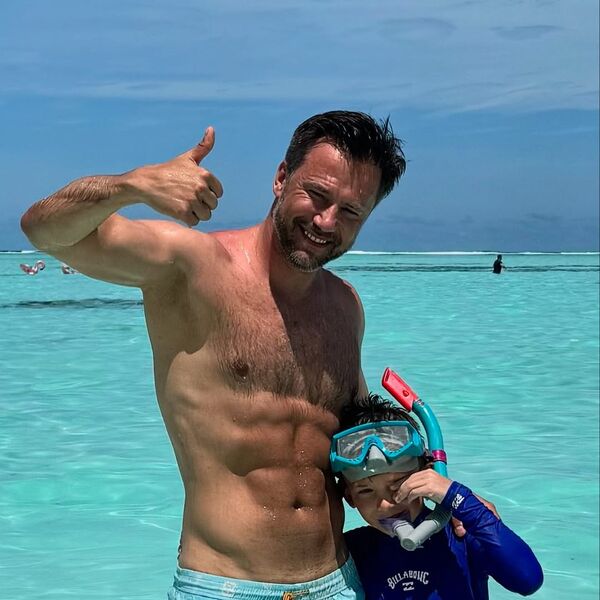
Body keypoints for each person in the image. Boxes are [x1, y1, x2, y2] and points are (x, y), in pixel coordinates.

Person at [20, 111, 407, 599]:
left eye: (351, 212)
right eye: (317, 195)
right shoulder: (190, 266)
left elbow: (361, 448)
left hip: (340, 583)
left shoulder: (345, 306)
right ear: (281, 178)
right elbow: (43, 230)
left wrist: (444, 501)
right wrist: (131, 186)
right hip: (223, 586)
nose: (327, 221)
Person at [332, 392, 544, 599]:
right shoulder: (353, 550)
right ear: (349, 497)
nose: (387, 504)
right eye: (366, 491)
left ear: (429, 475)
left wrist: (460, 499)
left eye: (399, 485)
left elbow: (528, 580)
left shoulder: (461, 534)